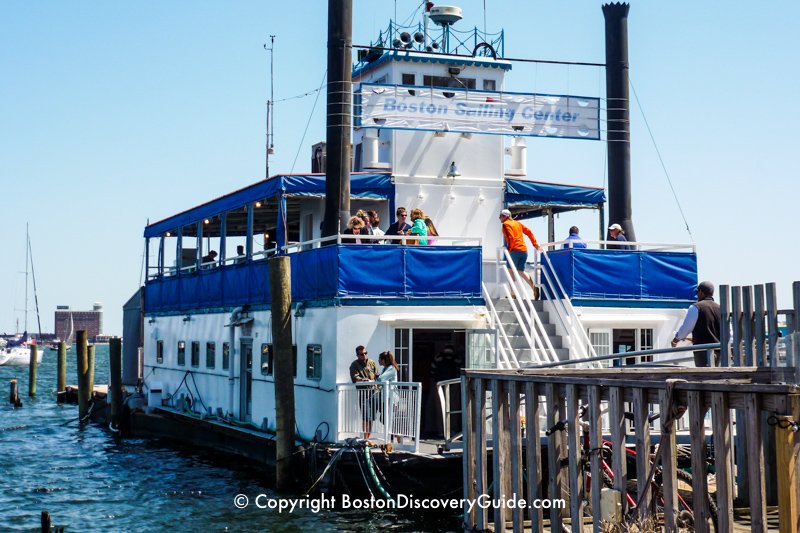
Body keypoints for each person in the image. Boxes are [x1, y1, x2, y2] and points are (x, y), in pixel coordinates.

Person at [671, 281, 722, 367]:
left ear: (701, 292)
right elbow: (727, 332)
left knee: (703, 377)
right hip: (719, 351)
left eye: (697, 292)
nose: (696, 295)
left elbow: (686, 329)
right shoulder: (720, 308)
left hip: (703, 352)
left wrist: (675, 340)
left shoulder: (696, 307)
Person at [499, 209, 541, 295]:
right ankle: (533, 287)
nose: (499, 218)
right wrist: (535, 244)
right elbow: (529, 232)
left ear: (505, 216)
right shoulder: (517, 223)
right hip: (524, 250)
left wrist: (509, 250)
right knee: (520, 271)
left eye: (501, 216)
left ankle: (513, 293)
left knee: (510, 270)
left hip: (515, 250)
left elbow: (511, 238)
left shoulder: (505, 224)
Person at [350, 345, 377, 439]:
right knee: (366, 417)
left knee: (372, 418)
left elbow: (376, 376)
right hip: (363, 393)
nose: (364, 355)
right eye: (362, 354)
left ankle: (368, 439)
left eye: (365, 353)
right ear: (357, 355)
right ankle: (365, 439)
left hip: (374, 392)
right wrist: (364, 380)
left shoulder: (372, 362)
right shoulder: (354, 364)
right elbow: (354, 378)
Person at [377, 351, 401, 443]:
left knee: (389, 418)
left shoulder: (391, 368)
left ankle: (397, 435)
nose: (378, 361)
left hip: (391, 398)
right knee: (384, 418)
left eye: (379, 359)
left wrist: (376, 377)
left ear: (383, 360)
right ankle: (394, 436)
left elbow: (381, 379)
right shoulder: (386, 368)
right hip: (386, 397)